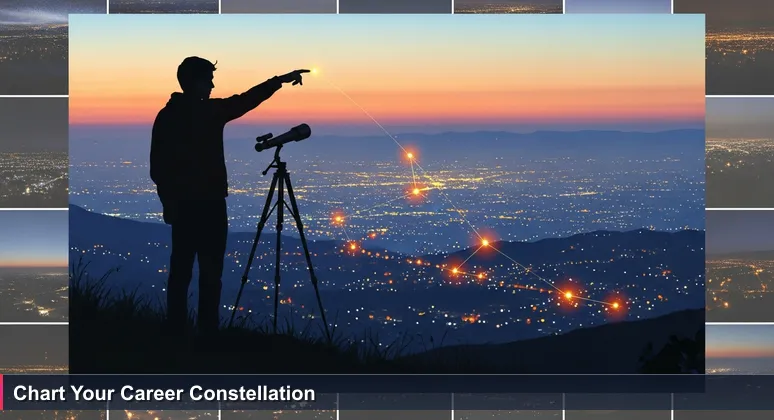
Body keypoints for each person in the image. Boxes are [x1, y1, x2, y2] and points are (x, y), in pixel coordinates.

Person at [150, 56, 309, 334]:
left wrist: (168, 202)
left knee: (180, 272)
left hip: (183, 206)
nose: (212, 86)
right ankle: (207, 334)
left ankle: (175, 331)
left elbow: (158, 168)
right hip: (210, 205)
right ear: (194, 82)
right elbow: (245, 100)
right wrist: (279, 81)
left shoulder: (167, 115)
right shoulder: (209, 112)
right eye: (208, 80)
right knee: (211, 274)